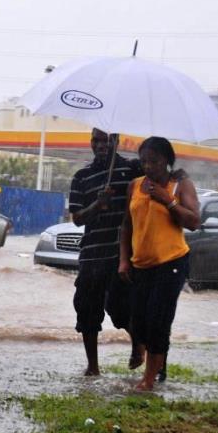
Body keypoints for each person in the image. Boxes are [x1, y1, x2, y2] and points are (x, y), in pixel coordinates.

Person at [119, 136, 200, 391]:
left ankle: (149, 379)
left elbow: (194, 221)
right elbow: (127, 226)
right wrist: (124, 260)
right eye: (143, 161)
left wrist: (168, 199)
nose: (147, 166)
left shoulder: (180, 185)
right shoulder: (135, 185)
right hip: (141, 264)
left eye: (153, 161)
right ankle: (145, 355)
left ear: (166, 160)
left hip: (171, 262)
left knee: (158, 320)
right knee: (138, 321)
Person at [69, 128, 143, 376]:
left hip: (122, 253)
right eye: (95, 140)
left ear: (117, 141)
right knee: (87, 309)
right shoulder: (82, 176)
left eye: (105, 140)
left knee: (121, 308)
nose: (100, 145)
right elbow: (77, 218)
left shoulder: (132, 171)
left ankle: (138, 345)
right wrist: (97, 205)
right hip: (91, 254)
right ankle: (93, 366)